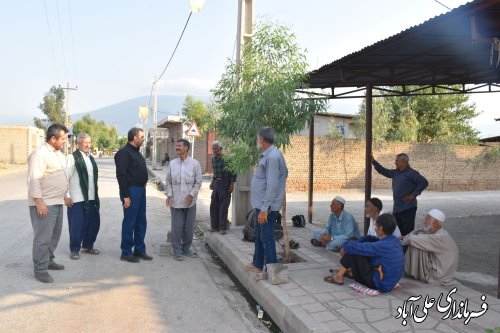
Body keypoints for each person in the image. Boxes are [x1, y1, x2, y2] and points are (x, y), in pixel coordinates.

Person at [245, 127, 288, 280]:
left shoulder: (272, 157)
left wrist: (264, 209)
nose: (257, 141)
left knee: (267, 238)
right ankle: (257, 263)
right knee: (259, 234)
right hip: (261, 206)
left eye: (257, 139)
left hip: (267, 207)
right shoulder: (269, 155)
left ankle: (271, 271)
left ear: (262, 140)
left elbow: (272, 185)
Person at [27, 123, 69, 283]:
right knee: (43, 238)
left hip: (57, 201)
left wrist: (65, 195)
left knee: (55, 235)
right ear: (53, 139)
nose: (64, 141)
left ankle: (48, 260)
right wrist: (39, 202)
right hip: (45, 203)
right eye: (63, 139)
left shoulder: (58, 153)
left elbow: (61, 177)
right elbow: (33, 180)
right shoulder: (39, 154)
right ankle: (40, 269)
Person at [324, 213, 404, 293]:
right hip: (389, 282)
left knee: (353, 249)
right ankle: (351, 272)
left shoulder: (382, 246)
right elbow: (370, 238)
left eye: (376, 226)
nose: (375, 228)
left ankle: (339, 277)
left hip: (379, 283)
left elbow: (354, 247)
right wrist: (357, 241)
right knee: (359, 242)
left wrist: (345, 246)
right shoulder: (395, 241)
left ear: (381, 228)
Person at [114, 127, 152, 263]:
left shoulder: (137, 152)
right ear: (135, 138)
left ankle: (139, 250)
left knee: (141, 221)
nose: (143, 139)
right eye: (142, 137)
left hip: (141, 190)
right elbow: (121, 175)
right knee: (130, 222)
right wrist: (126, 196)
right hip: (131, 191)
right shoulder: (124, 153)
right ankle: (126, 251)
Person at [372, 153, 428, 236]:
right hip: (397, 208)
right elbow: (384, 171)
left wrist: (413, 195)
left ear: (404, 161)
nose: (395, 162)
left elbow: (424, 182)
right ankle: (400, 248)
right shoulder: (396, 172)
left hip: (408, 208)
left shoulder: (412, 173)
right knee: (398, 232)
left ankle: (407, 249)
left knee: (408, 233)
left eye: (397, 160)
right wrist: (373, 161)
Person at [65, 133, 101, 260]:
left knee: (93, 223)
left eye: (89, 142)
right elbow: (65, 177)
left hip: (91, 197)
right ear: (78, 144)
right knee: (77, 225)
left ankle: (87, 246)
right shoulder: (72, 158)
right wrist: (66, 195)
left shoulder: (90, 158)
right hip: (77, 198)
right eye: (85, 142)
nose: (87, 145)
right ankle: (75, 249)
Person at [165, 139, 202, 261]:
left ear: (186, 148)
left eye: (179, 146)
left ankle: (186, 248)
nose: (177, 147)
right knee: (177, 227)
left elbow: (198, 182)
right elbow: (169, 181)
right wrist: (169, 195)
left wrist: (191, 195)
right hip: (176, 202)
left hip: (190, 202)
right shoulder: (172, 164)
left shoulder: (195, 164)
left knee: (188, 227)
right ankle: (177, 251)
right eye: (176, 146)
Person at [402, 209, 458, 284]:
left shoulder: (439, 237)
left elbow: (410, 239)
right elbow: (418, 232)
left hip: (438, 275)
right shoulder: (442, 234)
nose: (424, 222)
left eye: (427, 219)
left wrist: (402, 239)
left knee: (416, 244)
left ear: (435, 223)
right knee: (419, 236)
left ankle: (410, 271)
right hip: (445, 272)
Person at [209, 141, 236, 235]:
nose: (214, 150)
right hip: (217, 183)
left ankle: (222, 228)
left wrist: (232, 184)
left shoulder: (227, 159)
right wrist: (212, 182)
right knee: (214, 205)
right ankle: (214, 227)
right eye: (213, 148)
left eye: (216, 148)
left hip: (226, 183)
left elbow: (233, 172)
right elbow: (215, 173)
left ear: (220, 149)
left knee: (223, 206)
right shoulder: (213, 160)